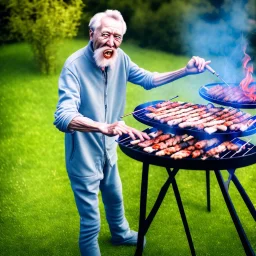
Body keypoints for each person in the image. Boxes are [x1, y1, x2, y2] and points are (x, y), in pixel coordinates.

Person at [54, 9, 210, 256]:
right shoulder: (73, 66)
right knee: (91, 219)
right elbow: (62, 117)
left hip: (108, 151)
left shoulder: (120, 58)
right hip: (83, 157)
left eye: (117, 37)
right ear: (91, 33)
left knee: (115, 197)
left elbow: (149, 79)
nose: (111, 43)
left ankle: (120, 233)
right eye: (106, 35)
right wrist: (103, 126)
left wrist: (186, 71)